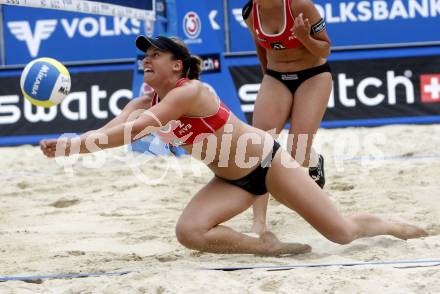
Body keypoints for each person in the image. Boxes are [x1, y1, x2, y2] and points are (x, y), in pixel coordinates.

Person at [40, 35, 427, 256]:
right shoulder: (142, 102)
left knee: (340, 233)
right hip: (230, 181)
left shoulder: (190, 92)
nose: (147, 59)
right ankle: (265, 246)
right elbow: (112, 132)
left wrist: (73, 147)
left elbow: (128, 133)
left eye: (156, 54)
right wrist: (71, 144)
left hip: (270, 165)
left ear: (178, 66)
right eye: (146, 55)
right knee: (189, 232)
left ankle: (406, 228)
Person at [242, 0, 333, 235]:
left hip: (313, 75)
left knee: (296, 152)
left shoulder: (301, 6)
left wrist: (304, 37)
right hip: (276, 76)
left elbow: (325, 49)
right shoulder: (251, 11)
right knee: (258, 148)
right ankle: (259, 223)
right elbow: (260, 46)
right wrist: (269, 79)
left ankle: (314, 160)